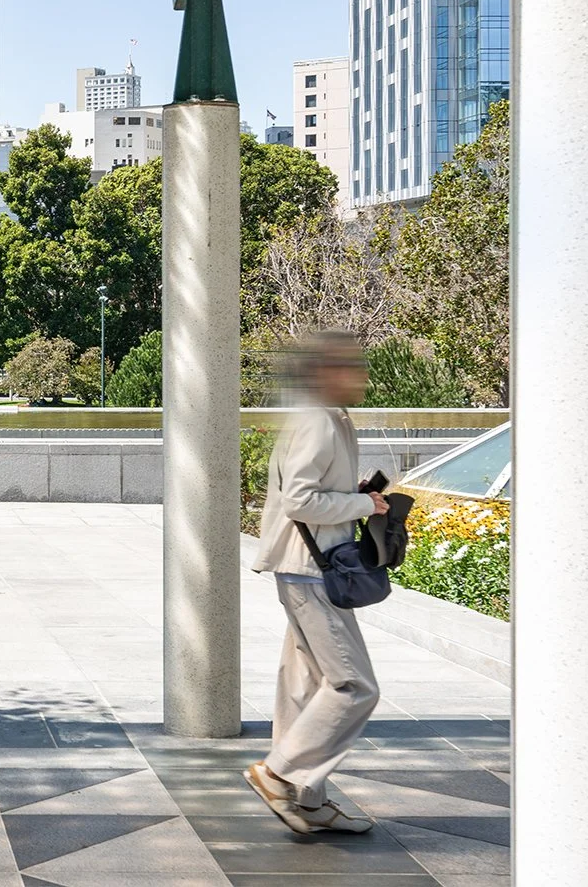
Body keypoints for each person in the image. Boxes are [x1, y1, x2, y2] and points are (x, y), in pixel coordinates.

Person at [244, 331, 388, 835]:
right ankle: (280, 774)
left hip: (311, 565)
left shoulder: (330, 418)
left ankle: (307, 800)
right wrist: (364, 505)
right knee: (354, 685)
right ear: (327, 372)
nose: (363, 376)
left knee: (306, 685)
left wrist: (357, 493)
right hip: (311, 568)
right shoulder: (318, 422)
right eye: (354, 367)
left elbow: (312, 491)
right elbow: (299, 500)